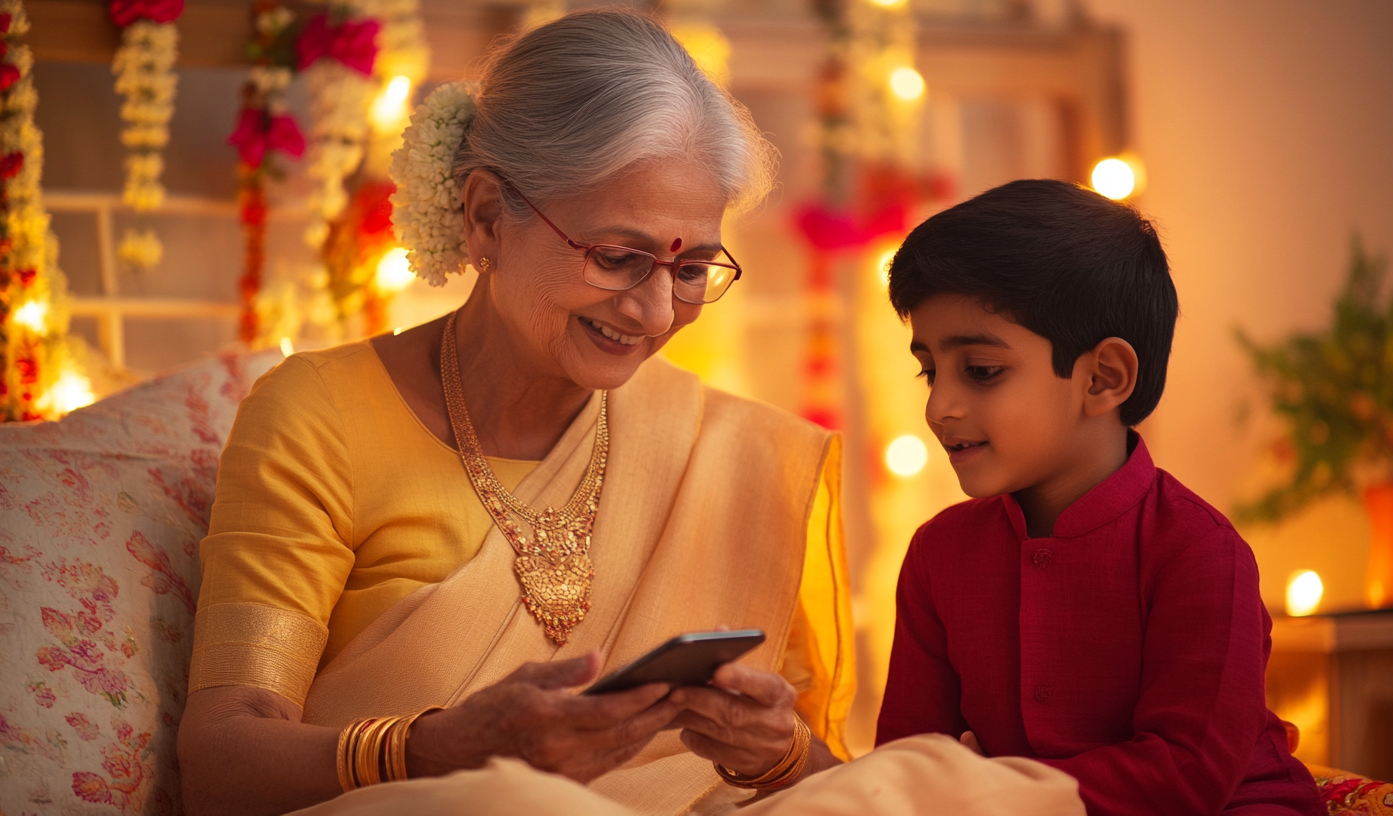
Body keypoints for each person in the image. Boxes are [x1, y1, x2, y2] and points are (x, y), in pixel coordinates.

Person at [178, 11, 1086, 816]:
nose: (656, 314)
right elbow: (220, 765)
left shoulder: (737, 454)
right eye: (619, 257)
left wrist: (776, 756)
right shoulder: (321, 414)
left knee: (952, 788)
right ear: (488, 215)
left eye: (691, 270)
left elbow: (820, 783)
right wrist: (435, 749)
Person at [875, 179, 1325, 816]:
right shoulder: (938, 554)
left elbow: (1186, 774)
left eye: (980, 371)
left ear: (1103, 378)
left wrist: (981, 792)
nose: (939, 407)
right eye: (930, 370)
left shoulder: (1201, 551)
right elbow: (905, 764)